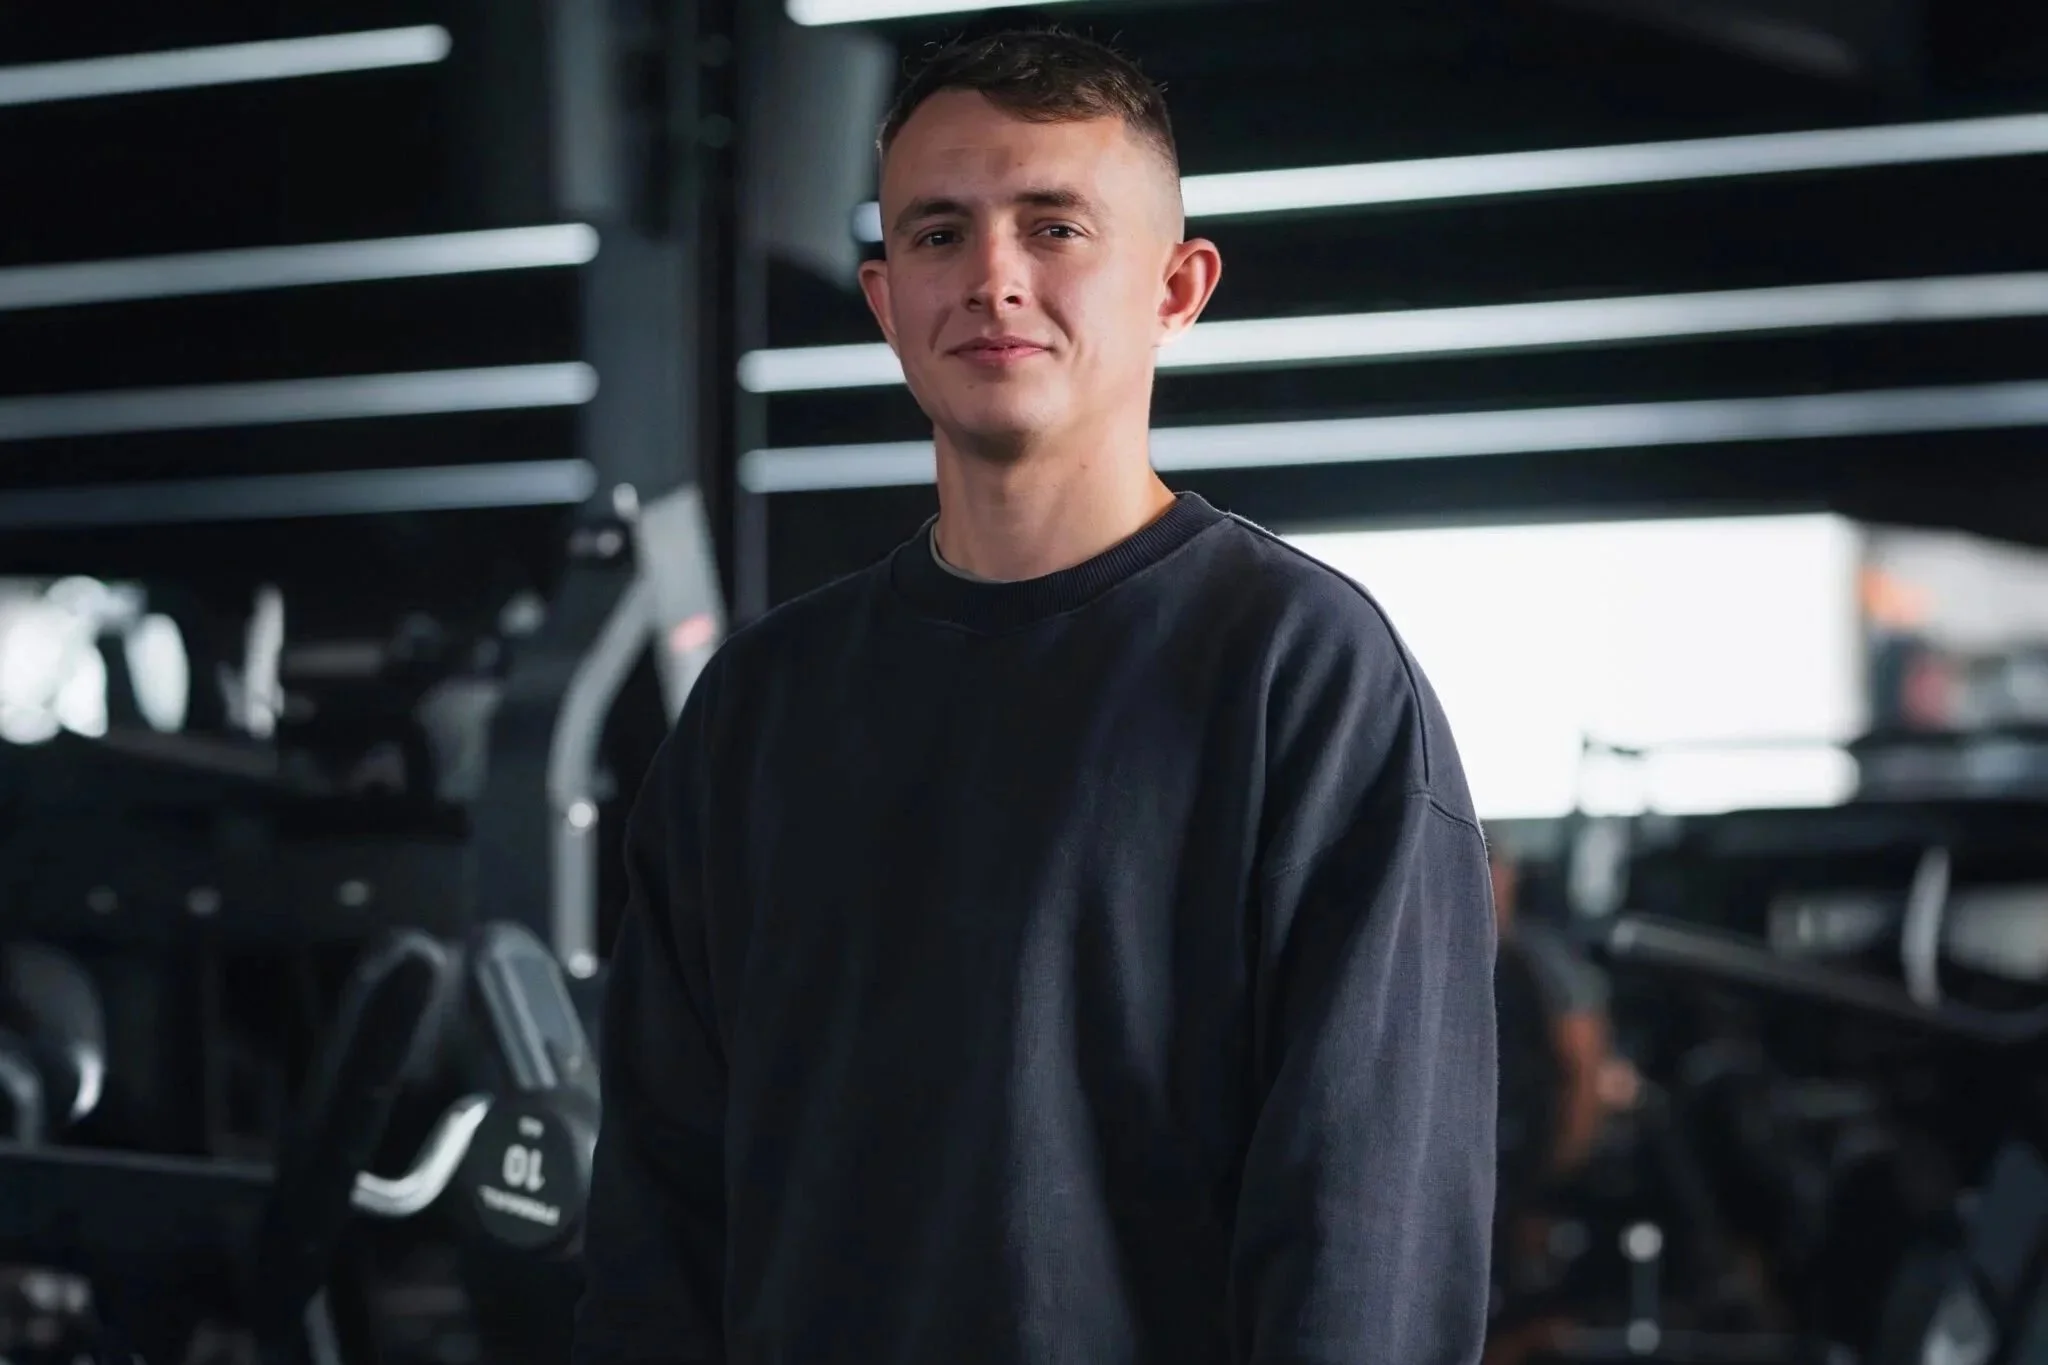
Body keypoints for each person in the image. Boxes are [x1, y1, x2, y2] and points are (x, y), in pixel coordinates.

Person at [573, 27, 1498, 1365]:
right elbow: (656, 1214)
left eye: (1054, 227)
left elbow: (1367, 1244)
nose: (993, 278)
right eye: (939, 235)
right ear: (887, 299)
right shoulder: (760, 710)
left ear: (1179, 289)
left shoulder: (1301, 677)